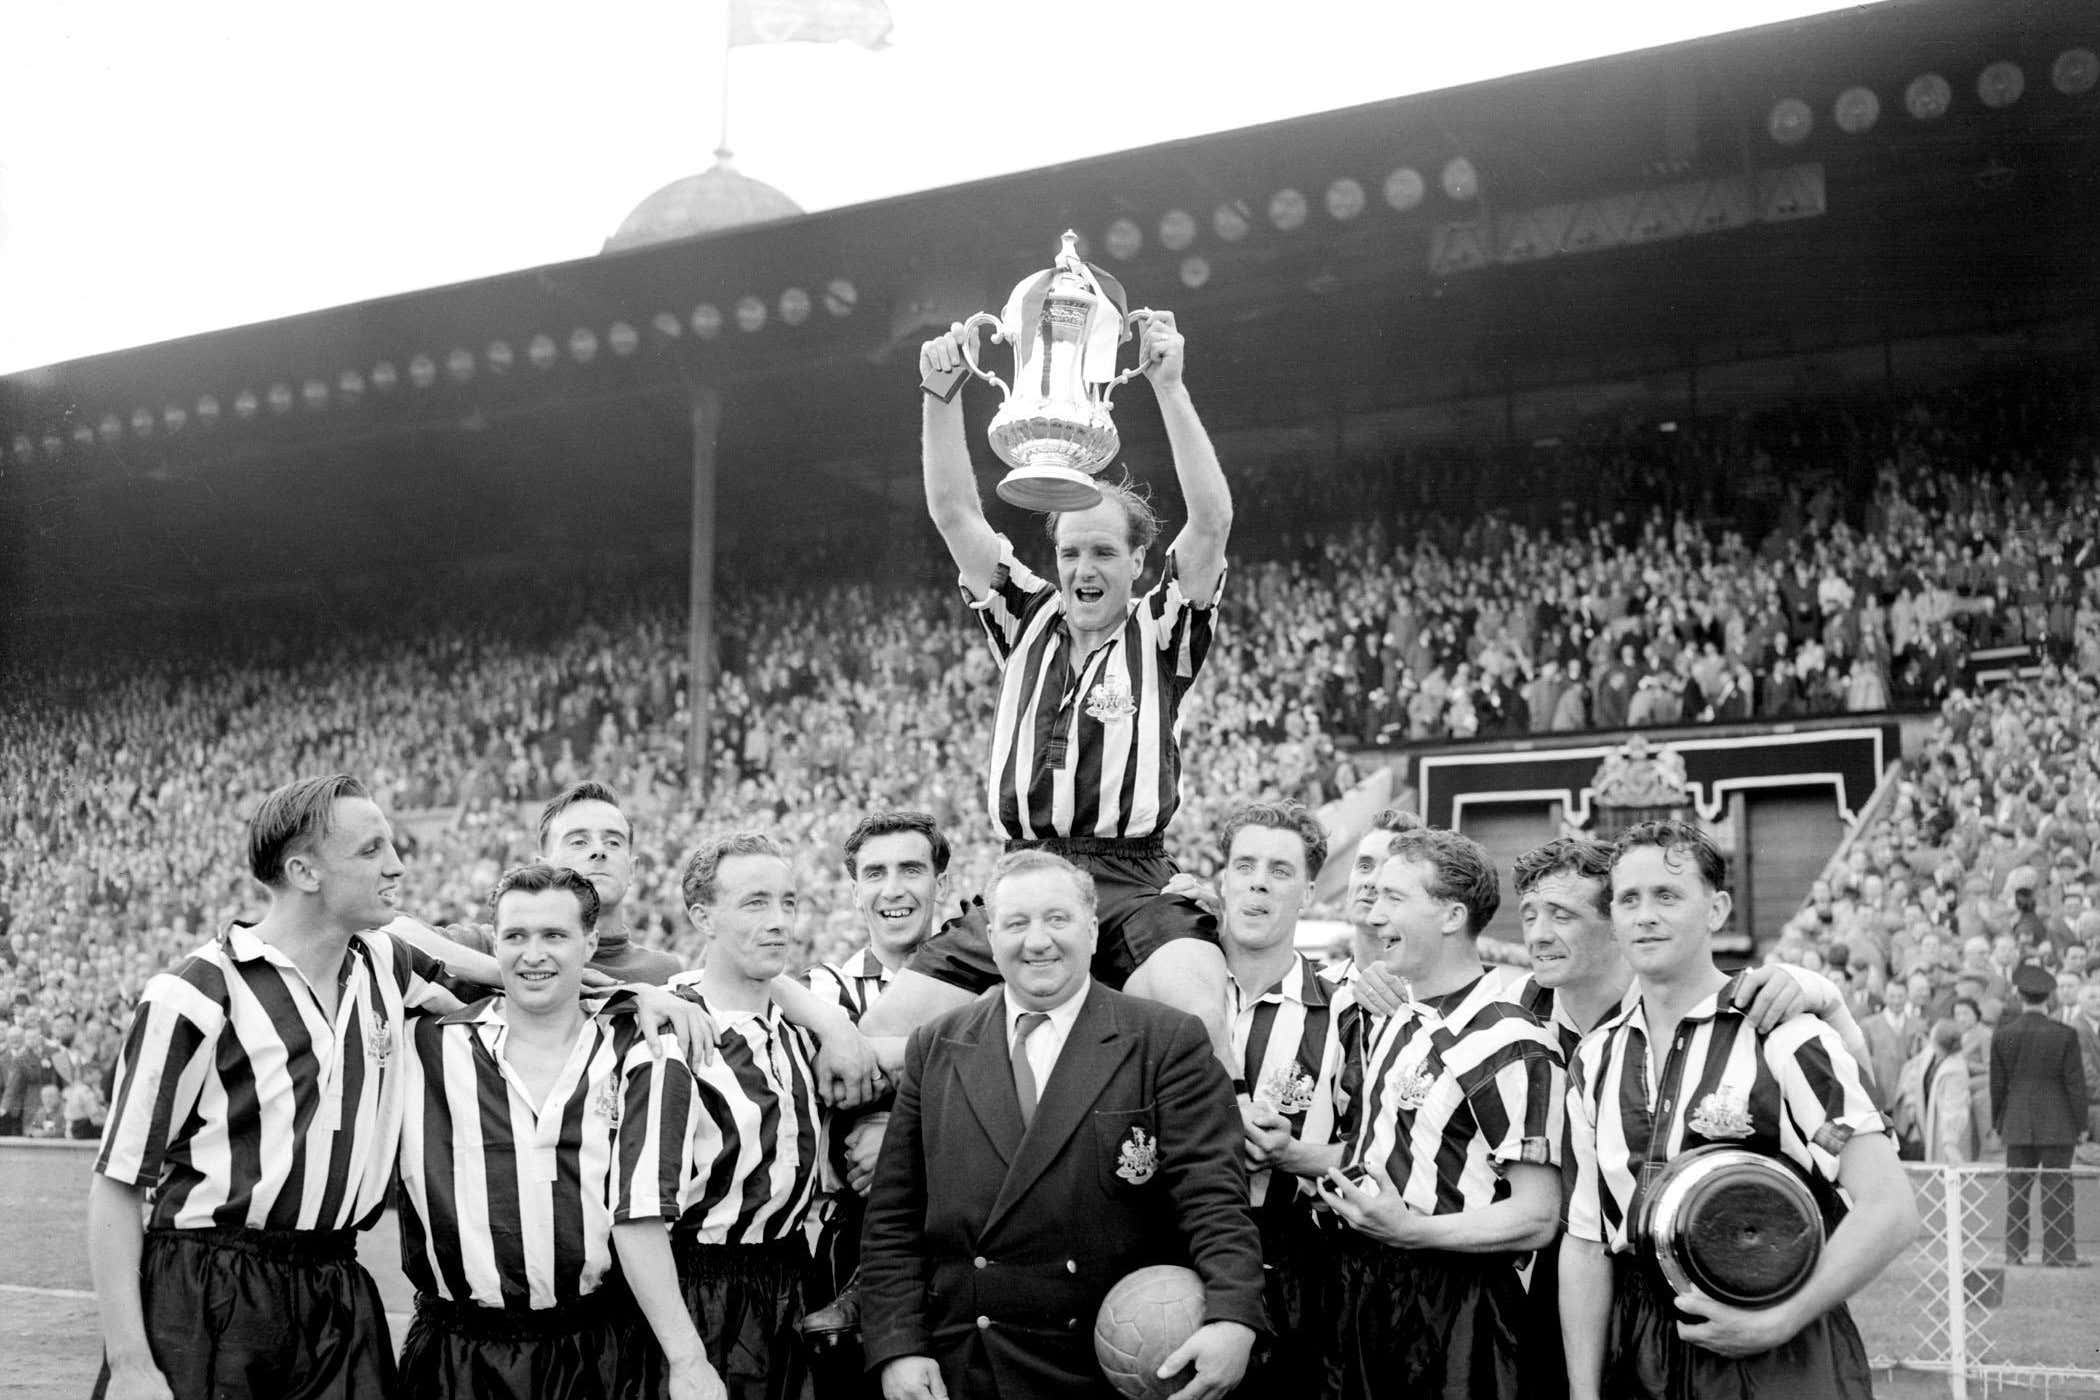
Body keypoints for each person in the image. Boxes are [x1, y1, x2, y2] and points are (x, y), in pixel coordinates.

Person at [86, 773, 707, 1400]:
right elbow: (116, 1183)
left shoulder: (385, 967)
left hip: (337, 1283)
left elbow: (514, 980)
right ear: (305, 872)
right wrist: (132, 1363)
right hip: (207, 1281)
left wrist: (637, 994)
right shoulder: (192, 994)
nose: (398, 865)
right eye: (372, 850)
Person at [889, 311, 1234, 1057]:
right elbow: (953, 512)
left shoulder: (1162, 630)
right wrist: (939, 393)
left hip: (1130, 882)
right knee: (878, 1039)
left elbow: (1212, 519)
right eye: (1072, 551)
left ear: (1138, 563)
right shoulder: (1024, 616)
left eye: (1105, 552)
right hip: (1024, 873)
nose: (1084, 569)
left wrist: (1169, 387)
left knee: (1198, 1028)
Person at [860, 850, 1263, 1400]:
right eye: (1017, 923)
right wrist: (898, 1347)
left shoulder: (1166, 1041)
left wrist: (1233, 1315)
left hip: (1106, 1371)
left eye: (1058, 919)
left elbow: (1213, 1196)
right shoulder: (935, 1046)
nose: (1038, 941)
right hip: (970, 1369)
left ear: (1093, 931)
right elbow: (893, 1220)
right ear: (990, 937)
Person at [1561, 821, 1918, 1400]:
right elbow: (1585, 1242)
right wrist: (1583, 1391)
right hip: (1641, 1350)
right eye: (1629, 899)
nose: (1645, 914)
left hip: (1776, 1340)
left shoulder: (1785, 1035)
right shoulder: (1595, 1058)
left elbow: (1890, 1207)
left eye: (1667, 895)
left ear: (1717, 909)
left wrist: (1780, 1319)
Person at [393, 864, 693, 1400]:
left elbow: (640, 1217)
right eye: (516, 937)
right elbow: (368, 931)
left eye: (555, 935)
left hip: (594, 1349)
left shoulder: (637, 1049)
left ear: (591, 940)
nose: (534, 954)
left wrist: (689, 1361)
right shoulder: (425, 1044)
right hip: (457, 1354)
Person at [1314, 827, 1563, 1400]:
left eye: (1396, 898)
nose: (1374, 915)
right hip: (1364, 1288)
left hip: (1455, 1305)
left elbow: (1537, 1216)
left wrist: (1414, 1231)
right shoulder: (1396, 1013)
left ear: (1452, 916)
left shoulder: (1507, 1039)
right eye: (1375, 897)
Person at [626, 833, 829, 1400]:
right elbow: (637, 1217)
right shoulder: (674, 1037)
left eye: (788, 902)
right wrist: (687, 1358)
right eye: (755, 902)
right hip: (703, 1296)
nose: (779, 921)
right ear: (702, 916)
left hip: (791, 1283)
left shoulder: (797, 1034)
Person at [1212, 800, 1348, 1400]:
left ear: (1309, 892)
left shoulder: (1347, 1012)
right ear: (1223, 879)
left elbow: (1373, 1153)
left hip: (1295, 1275)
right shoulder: (1164, 988)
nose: (1259, 881)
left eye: (1280, 870)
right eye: (1244, 865)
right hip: (1167, 1257)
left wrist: (1292, 1154)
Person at [440, 782, 683, 984]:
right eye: (578, 842)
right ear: (543, 867)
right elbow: (403, 934)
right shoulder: (497, 946)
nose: (599, 851)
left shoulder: (664, 974)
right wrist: (518, 975)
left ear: (632, 870)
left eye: (613, 842)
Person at [1991, 963, 2088, 1267]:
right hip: (2058, 1122)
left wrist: (1998, 1122)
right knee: (2057, 1189)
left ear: (2020, 996)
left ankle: (2015, 1252)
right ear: (2050, 998)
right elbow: (2075, 1084)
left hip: (2017, 1121)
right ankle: (2059, 1253)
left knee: (2017, 1189)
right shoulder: (2065, 1035)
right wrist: (2081, 1124)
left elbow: (1998, 1085)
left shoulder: (2003, 1034)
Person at [1893, 1019, 1974, 1163]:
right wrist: (1911, 1103)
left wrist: (1950, 1141)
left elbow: (1954, 1107)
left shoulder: (1956, 1069)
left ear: (1941, 1044)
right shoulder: (1930, 1052)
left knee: (1947, 1171)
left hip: (1943, 1130)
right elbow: (1913, 1072)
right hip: (1925, 1120)